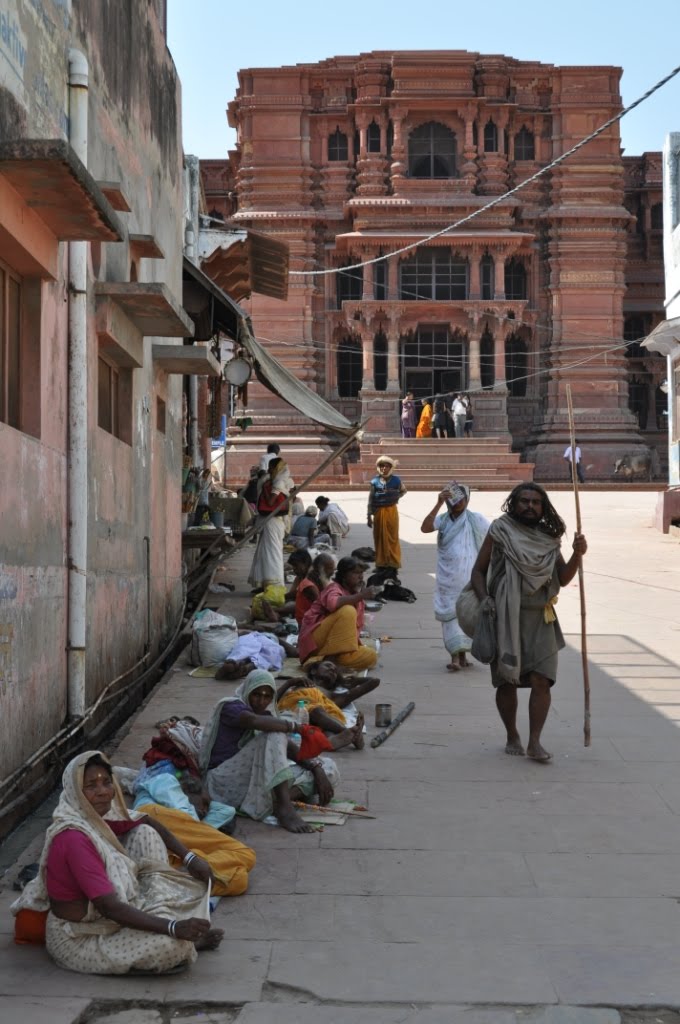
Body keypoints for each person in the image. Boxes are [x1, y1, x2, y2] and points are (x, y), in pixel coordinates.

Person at [12, 751, 222, 975]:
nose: (103, 792)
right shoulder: (73, 838)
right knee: (171, 946)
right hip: (80, 935)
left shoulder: (97, 815)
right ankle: (181, 941)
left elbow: (147, 819)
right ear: (76, 793)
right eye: (91, 785)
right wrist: (173, 928)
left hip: (112, 916)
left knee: (144, 832)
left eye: (106, 782)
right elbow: (109, 907)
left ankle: (165, 925)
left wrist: (189, 858)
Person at [470, 483, 588, 763]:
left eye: (536, 502)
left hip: (541, 618)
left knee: (542, 680)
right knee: (507, 682)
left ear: (543, 507)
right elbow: (478, 570)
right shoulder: (500, 531)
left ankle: (535, 741)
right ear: (514, 503)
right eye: (524, 501)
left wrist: (577, 554)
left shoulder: (548, 537)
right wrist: (485, 599)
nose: (530, 506)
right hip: (504, 618)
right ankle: (512, 734)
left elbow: (562, 578)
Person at [200, 670, 340, 833]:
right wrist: (297, 727)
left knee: (328, 767)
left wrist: (317, 769)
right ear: (248, 690)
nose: (261, 701)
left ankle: (270, 801)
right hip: (222, 784)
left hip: (249, 783)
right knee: (275, 733)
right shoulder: (231, 707)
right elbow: (252, 720)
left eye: (267, 696)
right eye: (256, 694)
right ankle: (284, 807)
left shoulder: (266, 715)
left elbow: (290, 749)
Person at [420, 483, 489, 672]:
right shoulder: (442, 519)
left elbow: (494, 536)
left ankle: (463, 656)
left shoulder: (477, 520)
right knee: (450, 615)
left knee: (466, 613)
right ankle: (455, 658)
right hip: (447, 578)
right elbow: (425, 528)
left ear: (467, 500)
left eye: (462, 499)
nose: (458, 503)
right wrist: (438, 504)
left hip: (469, 577)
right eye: (454, 500)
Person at [298, 556, 379, 671]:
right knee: (348, 610)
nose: (360, 577)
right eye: (355, 573)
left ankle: (328, 662)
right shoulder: (334, 588)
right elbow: (332, 603)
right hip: (315, 640)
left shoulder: (355, 595)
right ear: (344, 576)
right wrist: (361, 595)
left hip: (333, 646)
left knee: (371, 656)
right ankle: (328, 660)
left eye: (362, 573)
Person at [247, 457, 294, 591]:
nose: (268, 470)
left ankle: (274, 585)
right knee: (263, 553)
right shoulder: (276, 481)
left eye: (271, 468)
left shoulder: (278, 482)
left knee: (272, 554)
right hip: (268, 521)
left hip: (273, 522)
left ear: (276, 469)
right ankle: (263, 583)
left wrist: (265, 489)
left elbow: (271, 502)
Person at [367, 456, 406, 574]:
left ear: (391, 467)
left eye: (387, 466)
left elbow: (403, 491)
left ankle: (393, 563)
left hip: (391, 511)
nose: (384, 468)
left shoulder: (396, 480)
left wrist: (395, 497)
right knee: (379, 538)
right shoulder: (374, 482)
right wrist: (369, 515)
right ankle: (381, 564)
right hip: (378, 512)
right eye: (382, 466)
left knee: (392, 538)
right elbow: (371, 499)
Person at [257, 548, 313, 622]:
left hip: (311, 607)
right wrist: (278, 599)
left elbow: (297, 594)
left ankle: (275, 610)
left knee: (295, 605)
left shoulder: (312, 576)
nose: (294, 570)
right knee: (287, 603)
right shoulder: (300, 576)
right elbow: (292, 592)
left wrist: (281, 598)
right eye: (293, 567)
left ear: (305, 563)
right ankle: (275, 615)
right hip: (301, 604)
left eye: (296, 566)